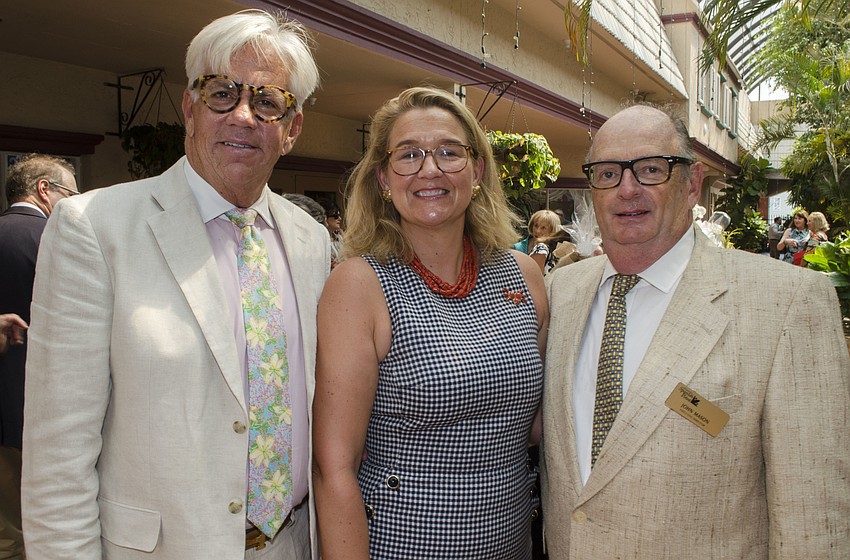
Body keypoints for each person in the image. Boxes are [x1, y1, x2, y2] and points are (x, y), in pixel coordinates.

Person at [21, 10, 329, 560]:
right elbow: (58, 455)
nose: (243, 116)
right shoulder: (95, 228)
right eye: (222, 94)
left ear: (292, 129)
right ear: (189, 107)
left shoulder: (310, 240)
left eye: (268, 102)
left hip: (294, 544)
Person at [541, 103, 850, 558]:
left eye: (651, 169)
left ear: (692, 183)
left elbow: (812, 515)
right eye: (607, 173)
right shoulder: (561, 290)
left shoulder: (788, 303)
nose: (627, 188)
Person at [312, 87, 548, 560]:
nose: (430, 169)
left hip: (511, 542)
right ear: (384, 178)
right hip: (401, 545)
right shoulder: (359, 285)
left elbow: (537, 428)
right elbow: (334, 468)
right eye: (408, 154)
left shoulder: (523, 275)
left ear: (477, 170)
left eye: (449, 152)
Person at [0, 153, 77, 560]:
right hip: (43, 406)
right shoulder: (56, 239)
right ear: (44, 189)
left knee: (7, 528)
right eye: (72, 195)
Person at [526, 209, 565, 274]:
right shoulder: (518, 246)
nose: (538, 231)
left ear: (552, 230)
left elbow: (535, 275)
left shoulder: (542, 248)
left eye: (543, 228)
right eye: (536, 226)